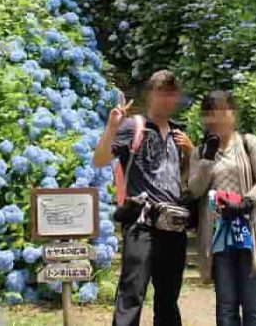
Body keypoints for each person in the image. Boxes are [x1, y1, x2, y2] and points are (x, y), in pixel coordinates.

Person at [92, 70, 195, 326]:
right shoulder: (133, 126)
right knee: (132, 294)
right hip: (141, 224)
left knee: (168, 299)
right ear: (150, 96)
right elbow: (100, 160)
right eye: (161, 93)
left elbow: (191, 180)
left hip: (173, 225)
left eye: (171, 95)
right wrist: (112, 127)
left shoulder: (179, 134)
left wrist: (192, 152)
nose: (166, 100)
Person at [188, 90, 256, 326]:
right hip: (218, 236)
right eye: (210, 115)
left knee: (253, 308)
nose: (216, 120)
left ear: (232, 114)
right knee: (225, 309)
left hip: (249, 232)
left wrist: (244, 203)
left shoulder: (249, 143)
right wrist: (207, 159)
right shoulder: (199, 152)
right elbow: (195, 190)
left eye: (221, 113)